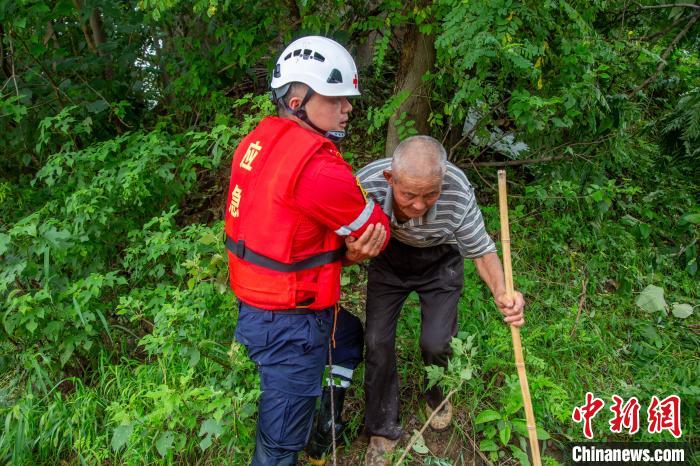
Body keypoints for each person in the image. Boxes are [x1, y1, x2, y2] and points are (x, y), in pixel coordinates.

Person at [224, 36, 390, 466]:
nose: (347, 108)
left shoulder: (256, 143)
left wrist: (336, 249)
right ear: (298, 101)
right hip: (291, 323)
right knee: (279, 445)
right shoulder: (317, 166)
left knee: (349, 339)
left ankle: (325, 430)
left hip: (259, 306)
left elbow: (279, 223)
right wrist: (351, 248)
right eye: (336, 99)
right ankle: (299, 443)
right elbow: (376, 229)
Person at [356, 136, 526, 465]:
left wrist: (503, 294)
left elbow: (481, 250)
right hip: (388, 258)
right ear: (390, 180)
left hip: (440, 262)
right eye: (408, 195)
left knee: (436, 342)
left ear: (442, 181)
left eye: (430, 194)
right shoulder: (366, 184)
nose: (419, 205)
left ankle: (435, 396)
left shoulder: (458, 190)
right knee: (376, 341)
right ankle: (381, 428)